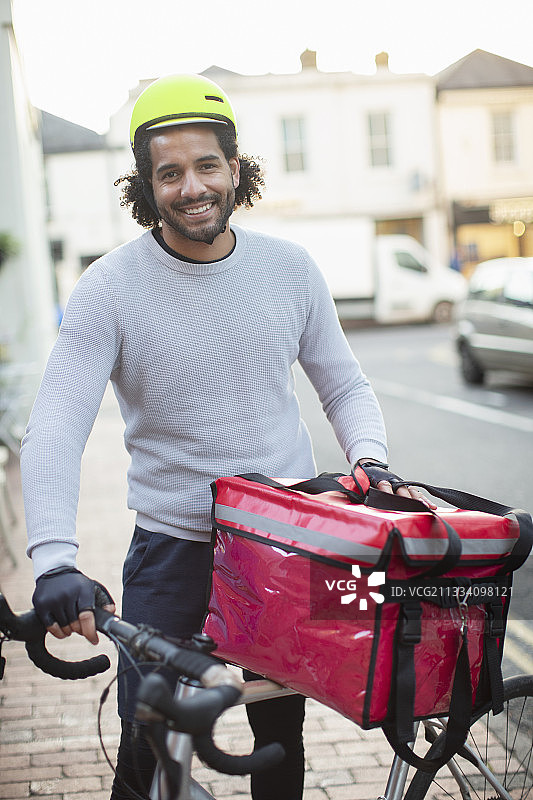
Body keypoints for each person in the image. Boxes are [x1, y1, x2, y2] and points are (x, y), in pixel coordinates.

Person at [21, 73, 428, 799]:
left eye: (207, 165)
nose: (192, 188)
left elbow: (343, 383)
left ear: (235, 168)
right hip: (172, 551)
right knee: (146, 747)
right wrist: (54, 559)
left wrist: (370, 459)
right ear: (146, 185)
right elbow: (55, 424)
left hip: (282, 544)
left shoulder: (290, 269)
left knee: (278, 744)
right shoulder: (108, 289)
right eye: (169, 173)